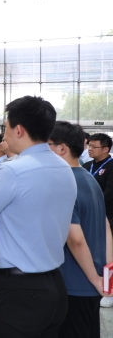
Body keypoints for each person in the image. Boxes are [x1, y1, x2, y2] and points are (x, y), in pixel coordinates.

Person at [0, 96, 77, 337]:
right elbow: (38, 218)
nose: (4, 135)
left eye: (6, 128)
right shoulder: (65, 168)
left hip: (16, 293)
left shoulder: (12, 170)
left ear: (19, 130)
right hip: (54, 285)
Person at [48, 121, 112, 337]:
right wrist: (105, 274)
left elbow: (75, 239)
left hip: (74, 283)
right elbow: (105, 226)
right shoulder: (89, 179)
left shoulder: (63, 183)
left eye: (48, 146)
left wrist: (94, 278)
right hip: (93, 281)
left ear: (62, 148)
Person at [82, 132, 113, 308]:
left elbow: (109, 193)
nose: (90, 149)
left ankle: (109, 290)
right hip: (88, 217)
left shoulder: (111, 166)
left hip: (108, 216)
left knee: (108, 255)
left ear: (106, 149)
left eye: (95, 147)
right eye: (89, 146)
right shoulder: (86, 166)